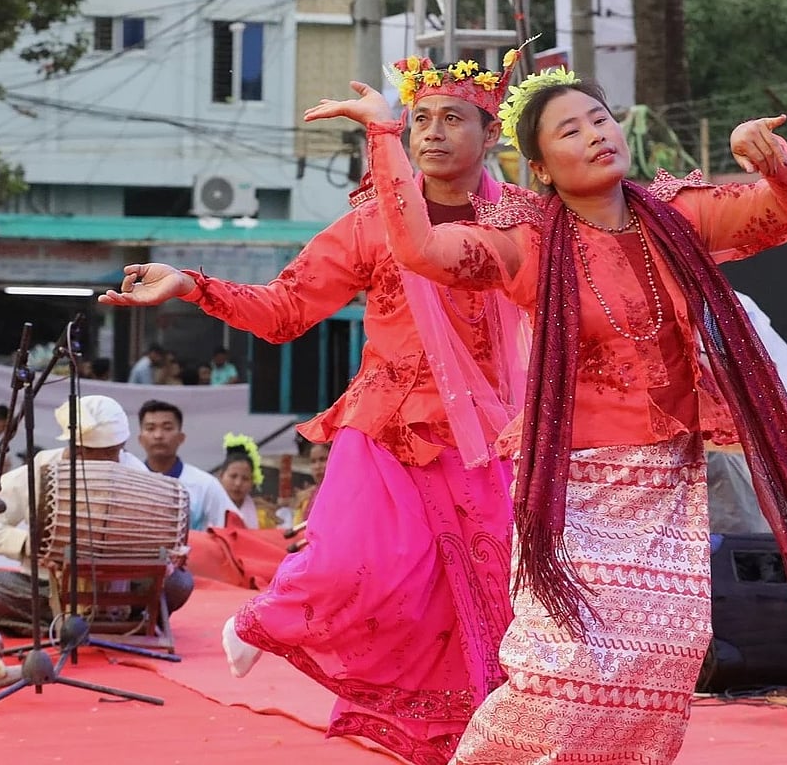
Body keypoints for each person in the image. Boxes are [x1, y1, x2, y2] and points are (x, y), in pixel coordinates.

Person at [334, 65, 787, 763]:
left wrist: (767, 153)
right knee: (562, 673)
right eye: (571, 129)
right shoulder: (527, 242)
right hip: (572, 484)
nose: (595, 134)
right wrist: (385, 135)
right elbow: (422, 249)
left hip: (665, 481)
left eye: (599, 118)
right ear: (540, 167)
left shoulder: (680, 217)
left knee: (663, 660)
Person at [99, 53, 531, 764]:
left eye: (453, 119)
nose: (432, 133)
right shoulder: (371, 225)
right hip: (386, 426)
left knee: (477, 608)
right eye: (419, 119)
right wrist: (191, 285)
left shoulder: (526, 222)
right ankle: (267, 617)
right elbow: (285, 310)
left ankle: (459, 746)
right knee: (352, 568)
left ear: (491, 137)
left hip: (487, 437)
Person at [0, 395, 193, 637]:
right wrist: (31, 545)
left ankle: (94, 623)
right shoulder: (40, 469)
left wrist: (168, 555)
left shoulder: (136, 473)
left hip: (118, 589)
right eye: (91, 452)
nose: (104, 461)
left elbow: (159, 544)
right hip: (47, 588)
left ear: (122, 445)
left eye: (111, 453)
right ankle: (73, 624)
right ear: (75, 447)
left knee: (180, 582)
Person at [134, 400, 241, 532]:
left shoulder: (205, 484)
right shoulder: (129, 483)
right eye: (150, 428)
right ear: (140, 439)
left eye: (167, 428)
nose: (158, 435)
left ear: (181, 437)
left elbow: (234, 530)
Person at [217, 433, 265, 528]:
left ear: (252, 483)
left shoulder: (262, 517)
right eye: (233, 476)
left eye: (245, 479)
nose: (238, 483)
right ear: (221, 476)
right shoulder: (208, 507)